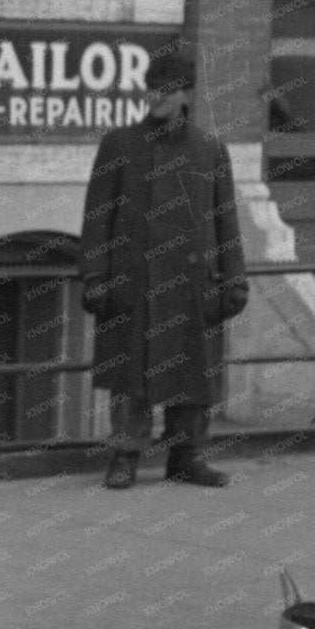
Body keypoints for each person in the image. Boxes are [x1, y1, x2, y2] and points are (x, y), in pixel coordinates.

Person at [78, 43, 249, 489]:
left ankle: (187, 457)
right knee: (132, 380)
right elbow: (98, 217)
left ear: (186, 95)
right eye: (151, 89)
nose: (156, 98)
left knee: (193, 376)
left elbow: (225, 218)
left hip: (192, 285)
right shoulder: (119, 144)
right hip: (134, 283)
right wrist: (95, 276)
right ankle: (125, 456)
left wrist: (235, 281)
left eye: (166, 90)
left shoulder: (210, 149)